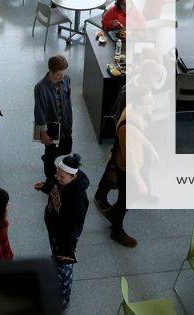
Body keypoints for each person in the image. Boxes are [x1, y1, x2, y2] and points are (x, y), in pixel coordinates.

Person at [34, 153, 89, 310]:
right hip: (56, 230)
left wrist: (68, 250)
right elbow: (55, 186)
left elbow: (74, 227)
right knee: (57, 258)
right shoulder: (64, 181)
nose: (58, 178)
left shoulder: (78, 199)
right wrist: (45, 187)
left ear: (73, 176)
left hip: (66, 239)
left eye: (62, 177)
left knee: (64, 267)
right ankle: (56, 264)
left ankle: (62, 300)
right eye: (58, 174)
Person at [94, 108, 137, 248]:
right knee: (126, 200)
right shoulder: (128, 126)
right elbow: (128, 156)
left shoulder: (137, 115)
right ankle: (116, 230)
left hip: (126, 163)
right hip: (126, 167)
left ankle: (102, 199)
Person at [34, 55, 73, 180]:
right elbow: (39, 111)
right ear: (51, 71)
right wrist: (43, 133)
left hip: (65, 122)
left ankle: (47, 157)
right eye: (58, 75)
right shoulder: (40, 88)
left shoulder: (66, 79)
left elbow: (68, 101)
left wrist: (70, 122)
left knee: (67, 148)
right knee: (50, 152)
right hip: (50, 127)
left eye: (63, 74)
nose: (62, 77)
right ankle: (49, 176)